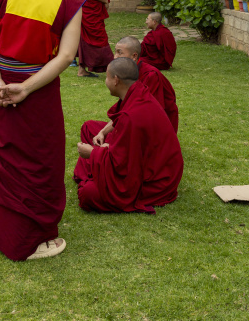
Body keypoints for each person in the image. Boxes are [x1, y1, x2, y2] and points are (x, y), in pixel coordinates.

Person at [0, 0, 85, 261]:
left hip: (4, 83)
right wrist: (26, 88)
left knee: (12, 159)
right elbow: (66, 56)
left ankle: (4, 231)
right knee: (41, 160)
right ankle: (32, 240)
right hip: (38, 89)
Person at [73, 57, 183, 213]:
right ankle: (96, 173)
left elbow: (125, 166)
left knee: (88, 193)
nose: (105, 81)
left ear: (116, 80)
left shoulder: (131, 117)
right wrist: (104, 137)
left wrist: (93, 153)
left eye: (107, 77)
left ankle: (95, 176)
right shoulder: (138, 91)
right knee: (89, 128)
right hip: (143, 157)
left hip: (154, 180)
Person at [114, 36, 179, 132]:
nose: (115, 57)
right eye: (115, 52)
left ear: (134, 56)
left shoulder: (151, 75)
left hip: (154, 130)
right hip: (133, 119)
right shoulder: (129, 72)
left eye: (119, 53)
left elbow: (148, 111)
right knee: (88, 127)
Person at [78, 0, 114, 78]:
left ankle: (82, 70)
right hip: (89, 11)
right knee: (100, 38)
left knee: (87, 39)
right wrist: (105, 1)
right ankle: (111, 68)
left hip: (93, 11)